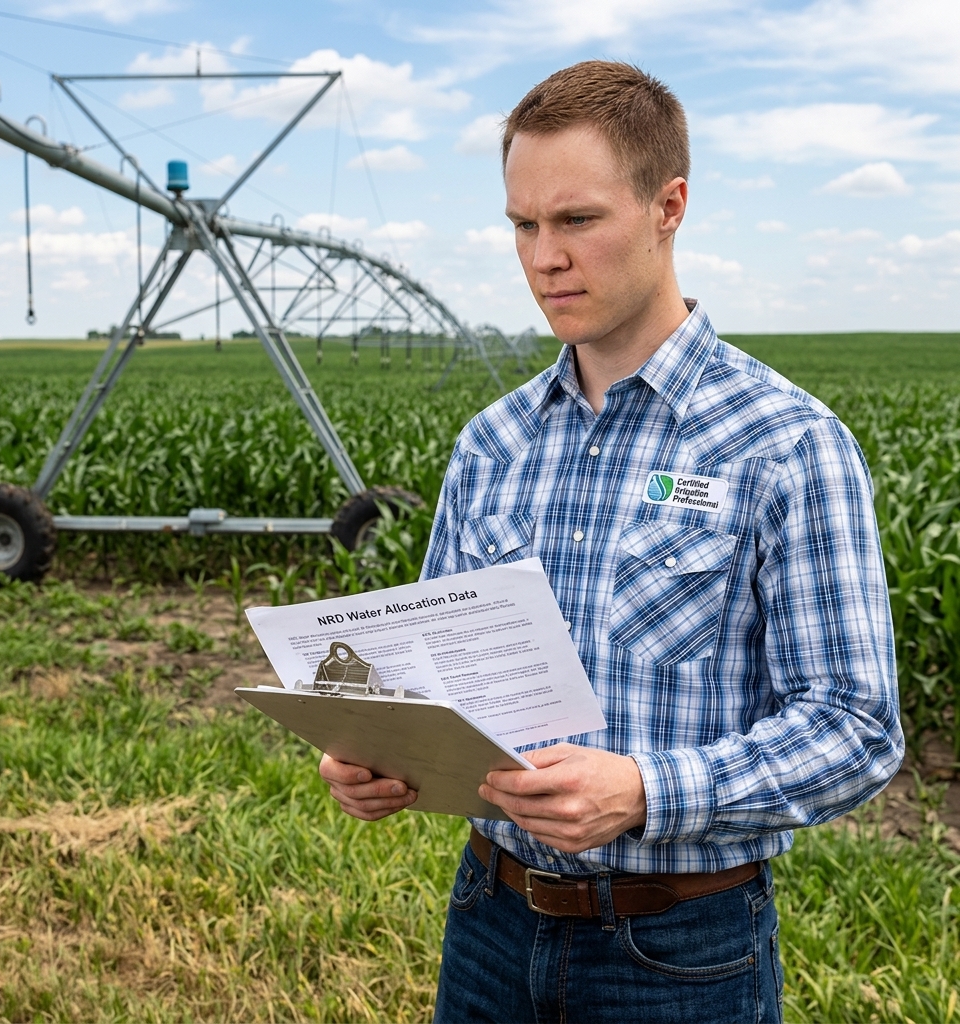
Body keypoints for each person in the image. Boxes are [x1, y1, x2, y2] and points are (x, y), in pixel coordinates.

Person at [320, 60, 904, 1023]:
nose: (544, 256)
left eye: (577, 221)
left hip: (678, 953)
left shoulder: (785, 444)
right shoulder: (493, 443)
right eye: (523, 225)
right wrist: (379, 753)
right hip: (489, 921)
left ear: (669, 205)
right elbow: (426, 675)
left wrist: (645, 790)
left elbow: (855, 727)